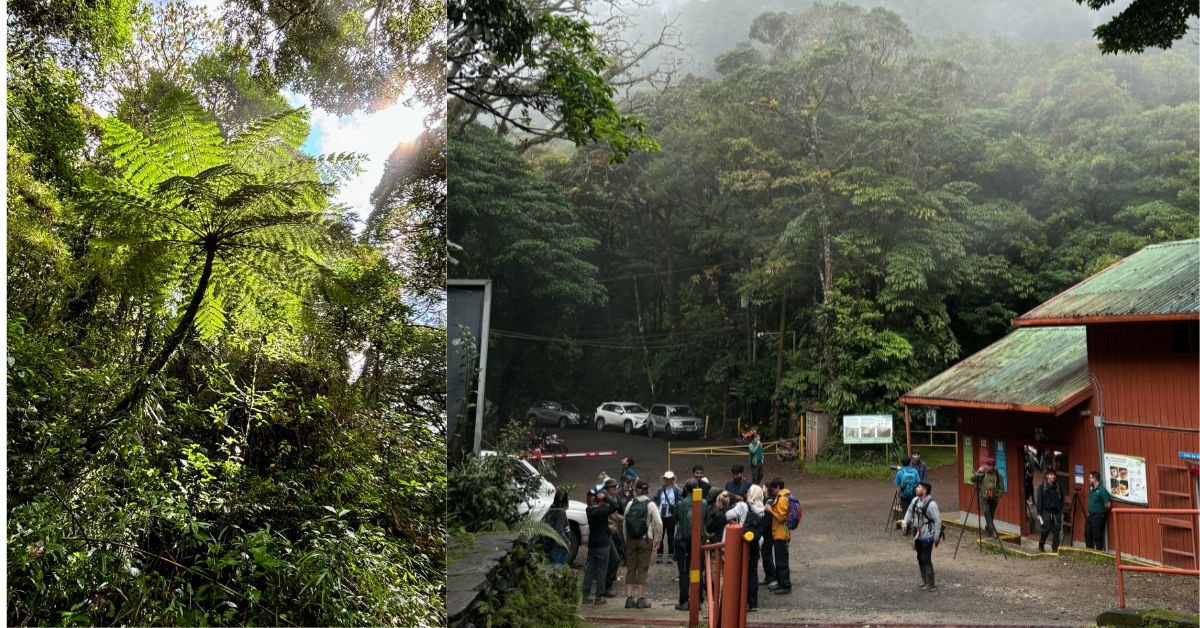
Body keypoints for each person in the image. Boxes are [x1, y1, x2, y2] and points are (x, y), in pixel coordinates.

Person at [622, 479, 662, 609]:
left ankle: (629, 599)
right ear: (647, 490)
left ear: (636, 490)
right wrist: (658, 539)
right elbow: (659, 523)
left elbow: (624, 523)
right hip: (646, 539)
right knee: (642, 568)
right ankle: (641, 599)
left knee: (631, 568)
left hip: (631, 540)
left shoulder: (630, 503)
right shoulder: (651, 505)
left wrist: (626, 540)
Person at [673, 479, 708, 611]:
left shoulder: (681, 503)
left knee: (684, 572)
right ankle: (697, 601)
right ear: (698, 488)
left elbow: (675, 519)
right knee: (697, 571)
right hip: (698, 541)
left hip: (682, 541)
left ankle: (683, 601)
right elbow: (704, 519)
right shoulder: (703, 503)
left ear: (686, 489)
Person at [901, 481, 942, 591]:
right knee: (920, 557)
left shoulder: (932, 505)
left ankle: (931, 584)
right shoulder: (915, 500)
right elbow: (909, 512)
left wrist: (937, 537)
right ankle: (924, 581)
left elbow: (938, 521)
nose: (916, 489)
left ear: (924, 490)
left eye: (918, 487)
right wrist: (905, 522)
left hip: (928, 535)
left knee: (925, 557)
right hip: (918, 534)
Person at [582, 489, 619, 604]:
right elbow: (615, 505)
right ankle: (599, 596)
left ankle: (586, 595)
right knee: (602, 570)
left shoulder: (589, 510)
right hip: (603, 544)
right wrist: (606, 497)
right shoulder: (603, 510)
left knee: (590, 570)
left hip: (592, 543)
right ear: (602, 501)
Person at [766, 478, 793, 595]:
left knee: (782, 561)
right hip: (779, 534)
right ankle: (780, 582)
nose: (772, 491)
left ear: (777, 487)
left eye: (773, 489)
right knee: (779, 559)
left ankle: (786, 585)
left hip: (782, 535)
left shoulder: (782, 499)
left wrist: (770, 511)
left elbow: (781, 518)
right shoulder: (784, 496)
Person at [743, 485, 767, 612]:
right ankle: (753, 603)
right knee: (753, 573)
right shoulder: (763, 509)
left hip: (746, 544)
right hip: (756, 545)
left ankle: (744, 602)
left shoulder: (747, 508)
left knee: (744, 574)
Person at [653, 471, 682, 564]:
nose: (667, 481)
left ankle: (670, 554)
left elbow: (679, 501)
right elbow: (655, 499)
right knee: (660, 535)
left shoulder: (676, 490)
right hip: (661, 515)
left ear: (672, 480)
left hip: (670, 516)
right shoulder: (660, 490)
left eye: (669, 479)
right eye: (665, 479)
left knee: (670, 536)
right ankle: (659, 554)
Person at [1036, 468, 1064, 553]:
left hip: (1056, 512)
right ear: (1047, 476)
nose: (1053, 476)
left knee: (1056, 530)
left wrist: (1060, 508)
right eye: (1051, 475)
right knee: (1045, 529)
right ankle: (1041, 544)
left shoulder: (1058, 487)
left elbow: (1062, 498)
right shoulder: (1042, 487)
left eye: (1054, 475)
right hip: (1046, 511)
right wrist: (1039, 513)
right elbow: (1039, 500)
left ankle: (1055, 548)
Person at [975, 457, 1005, 537]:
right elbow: (972, 479)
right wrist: (978, 472)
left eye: (990, 466)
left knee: (991, 515)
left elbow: (1001, 487)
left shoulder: (998, 474)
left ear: (993, 466)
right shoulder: (982, 472)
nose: (988, 467)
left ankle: (988, 529)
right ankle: (993, 532)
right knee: (987, 512)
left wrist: (998, 496)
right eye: (987, 465)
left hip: (993, 498)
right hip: (984, 497)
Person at [542, 488, 571, 565]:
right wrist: (567, 542)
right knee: (557, 570)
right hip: (557, 548)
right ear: (563, 501)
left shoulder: (553, 507)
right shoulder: (560, 512)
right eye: (567, 498)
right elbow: (559, 531)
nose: (569, 500)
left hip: (551, 546)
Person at [1085, 471, 1113, 551]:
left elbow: (1108, 504)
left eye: (1090, 477)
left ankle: (1098, 553)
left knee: (1097, 535)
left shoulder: (1102, 490)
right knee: (1087, 533)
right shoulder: (1091, 488)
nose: (1089, 479)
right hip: (1090, 515)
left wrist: (1101, 511)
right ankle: (1089, 552)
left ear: (1094, 479)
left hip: (1098, 515)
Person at [894, 457, 920, 521]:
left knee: (905, 511)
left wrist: (898, 497)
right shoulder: (914, 471)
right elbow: (918, 483)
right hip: (913, 495)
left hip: (904, 495)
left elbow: (898, 486)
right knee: (914, 511)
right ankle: (915, 527)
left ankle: (906, 527)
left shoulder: (900, 473)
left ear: (902, 463)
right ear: (910, 463)